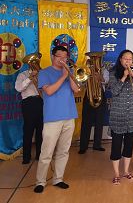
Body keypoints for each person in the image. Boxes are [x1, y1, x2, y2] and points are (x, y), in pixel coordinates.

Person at [34, 46, 79, 193]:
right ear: (53, 56)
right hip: (52, 118)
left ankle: (58, 178)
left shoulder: (69, 71)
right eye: (59, 56)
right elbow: (49, 91)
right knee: (46, 152)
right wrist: (63, 77)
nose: (62, 59)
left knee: (64, 151)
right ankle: (40, 181)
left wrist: (69, 75)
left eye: (65, 57)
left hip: (69, 116)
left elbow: (77, 89)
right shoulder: (44, 72)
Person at [108, 50, 133, 185]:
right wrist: (123, 77)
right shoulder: (113, 72)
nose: (128, 61)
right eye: (125, 59)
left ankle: (126, 171)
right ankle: (116, 173)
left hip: (132, 115)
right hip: (118, 114)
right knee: (116, 146)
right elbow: (114, 91)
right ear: (120, 59)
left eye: (130, 59)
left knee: (128, 146)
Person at [15, 66, 44, 164]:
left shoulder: (43, 73)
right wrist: (30, 78)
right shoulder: (23, 75)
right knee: (28, 130)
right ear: (29, 63)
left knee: (41, 130)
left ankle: (39, 155)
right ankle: (26, 157)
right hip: (28, 103)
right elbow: (18, 88)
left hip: (41, 101)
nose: (35, 63)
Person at [78, 66, 108, 154]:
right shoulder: (86, 69)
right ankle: (83, 146)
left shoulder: (104, 69)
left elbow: (106, 81)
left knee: (99, 122)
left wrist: (100, 77)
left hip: (100, 96)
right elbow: (80, 83)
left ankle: (97, 145)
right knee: (86, 123)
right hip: (88, 96)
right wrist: (87, 77)